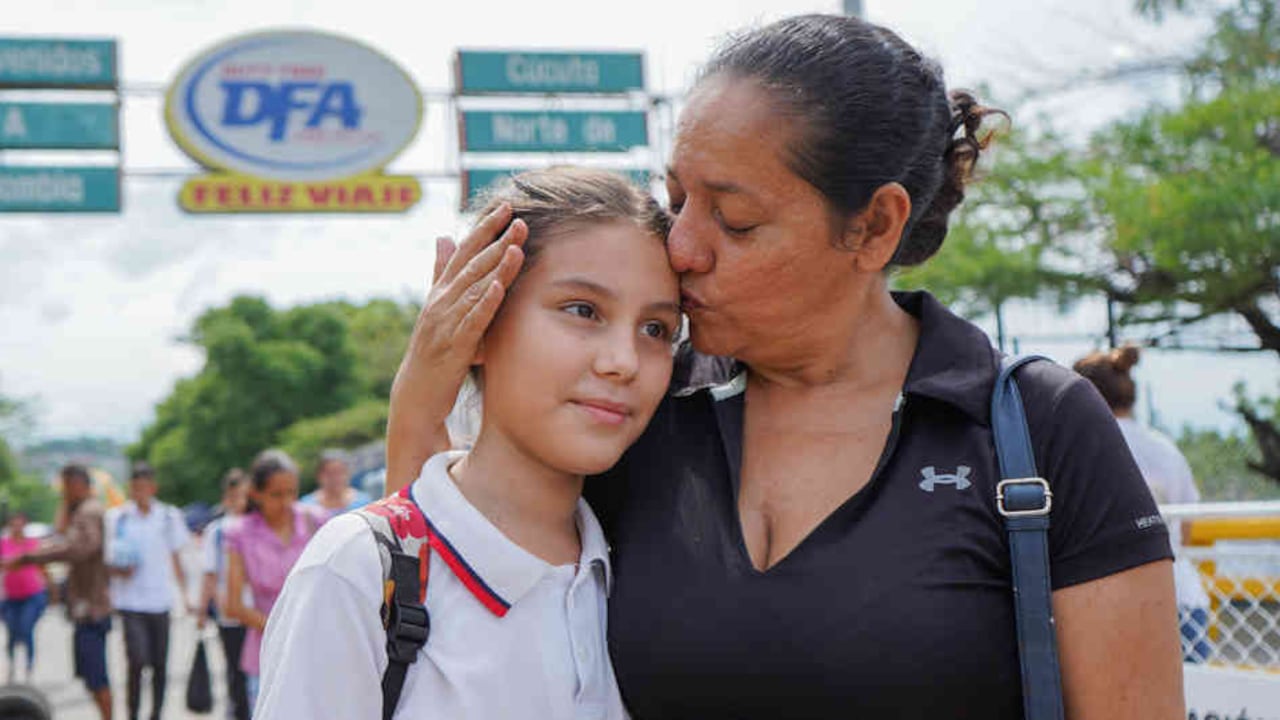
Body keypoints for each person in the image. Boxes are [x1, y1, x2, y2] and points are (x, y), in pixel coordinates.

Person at [385, 15, 1185, 719]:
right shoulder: (646, 408)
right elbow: (455, 593)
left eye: (734, 219)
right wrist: (425, 387)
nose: (682, 247)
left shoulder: (1030, 428)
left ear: (874, 226)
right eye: (676, 200)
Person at [256, 167, 678, 719]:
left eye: (656, 330)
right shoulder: (353, 572)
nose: (623, 361)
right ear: (477, 324)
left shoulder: (646, 583)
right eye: (582, 310)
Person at [1074, 344, 1213, 663]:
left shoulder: (1080, 449)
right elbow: (1185, 526)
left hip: (1106, 603)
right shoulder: (1164, 449)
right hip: (1181, 594)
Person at [6, 464, 113, 719]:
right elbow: (61, 534)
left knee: (96, 676)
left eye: (66, 488)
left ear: (77, 485)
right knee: (90, 675)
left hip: (92, 608)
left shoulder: (89, 512)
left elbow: (79, 549)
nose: (63, 493)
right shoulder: (81, 511)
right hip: (86, 607)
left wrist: (28, 558)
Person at [224, 449, 327, 712]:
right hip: (265, 655)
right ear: (256, 494)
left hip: (316, 651)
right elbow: (233, 605)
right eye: (276, 495)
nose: (286, 502)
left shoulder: (315, 520)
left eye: (291, 493)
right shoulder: (239, 533)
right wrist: (283, 631)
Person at [105, 461, 192, 720]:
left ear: (153, 488)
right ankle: (132, 712)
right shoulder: (118, 517)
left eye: (145, 487)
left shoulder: (168, 516)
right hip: (130, 601)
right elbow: (108, 560)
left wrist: (186, 594)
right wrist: (119, 571)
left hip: (160, 600)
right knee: (137, 660)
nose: (140, 492)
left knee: (159, 663)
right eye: (136, 488)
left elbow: (177, 557)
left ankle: (156, 713)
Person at [197, 469, 252, 720]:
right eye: (234, 496)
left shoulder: (260, 526)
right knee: (236, 671)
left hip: (260, 611)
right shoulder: (217, 531)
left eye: (243, 495)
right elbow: (209, 574)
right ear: (226, 498)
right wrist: (202, 609)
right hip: (230, 613)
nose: (239, 502)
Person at [0, 512, 49, 684]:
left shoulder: (32, 544)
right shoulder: (3, 544)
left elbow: (43, 568)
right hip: (10, 597)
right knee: (12, 633)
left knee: (26, 629)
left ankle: (28, 669)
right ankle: (12, 666)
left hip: (31, 594)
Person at [299, 450, 370, 516]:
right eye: (329, 473)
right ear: (318, 475)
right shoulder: (306, 505)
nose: (335, 478)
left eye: (340, 472)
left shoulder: (364, 502)